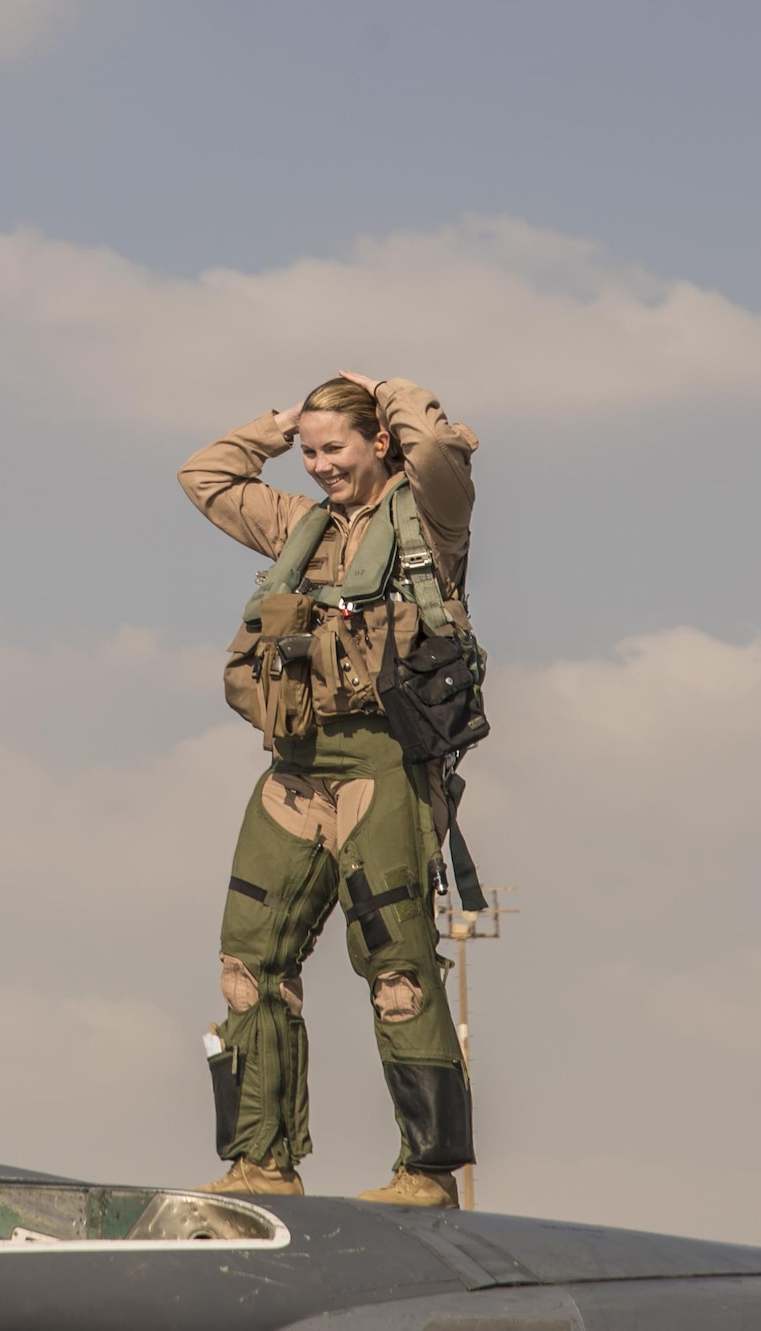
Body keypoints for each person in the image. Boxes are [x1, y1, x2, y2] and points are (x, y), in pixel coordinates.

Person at [178, 371, 480, 1207]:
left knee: (399, 967)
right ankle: (261, 1163)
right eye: (307, 453)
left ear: (377, 441)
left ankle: (426, 1174)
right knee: (250, 960)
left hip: (385, 762)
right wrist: (278, 425)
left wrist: (392, 389)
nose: (317, 466)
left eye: (332, 447)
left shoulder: (431, 515)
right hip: (298, 763)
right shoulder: (295, 527)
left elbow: (432, 449)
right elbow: (204, 476)